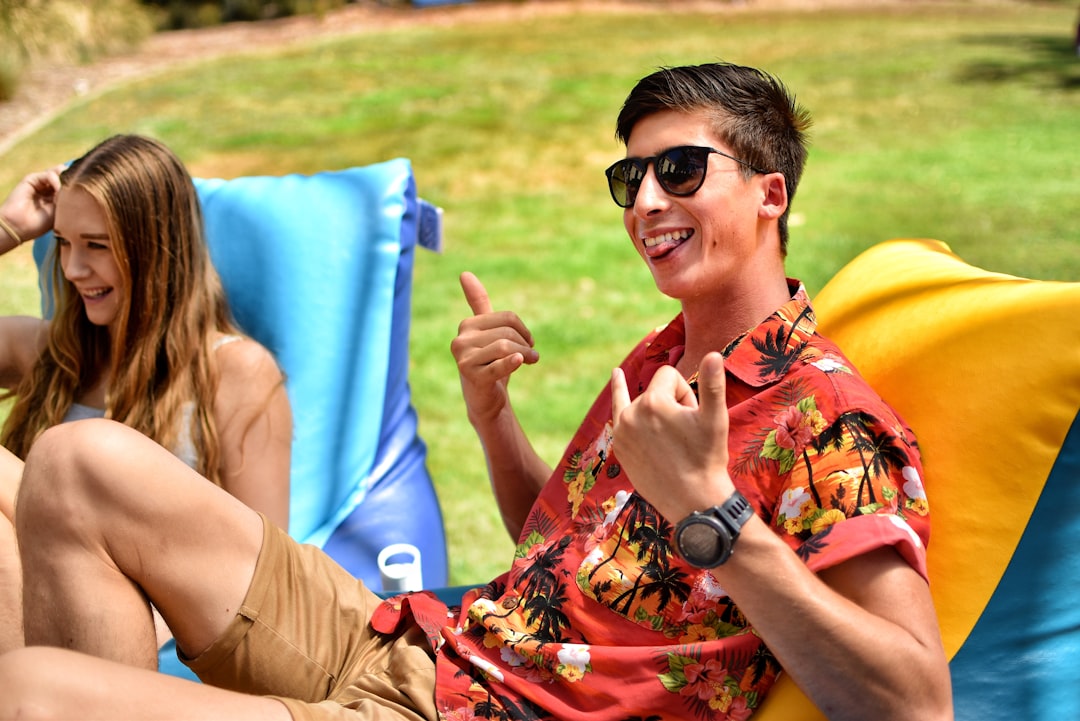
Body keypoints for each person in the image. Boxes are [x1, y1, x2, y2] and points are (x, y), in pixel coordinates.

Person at [0, 63, 952, 720]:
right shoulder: (660, 362)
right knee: (78, 458)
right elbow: (556, 554)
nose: (648, 201)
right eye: (633, 176)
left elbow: (914, 699)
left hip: (480, 709)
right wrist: (493, 422)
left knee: (31, 691)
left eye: (681, 169)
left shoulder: (825, 418)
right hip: (413, 645)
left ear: (770, 194)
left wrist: (713, 514)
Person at [0, 134, 292, 654]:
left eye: (96, 245)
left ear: (155, 247)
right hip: (33, 607)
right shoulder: (50, 354)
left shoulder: (235, 372)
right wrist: (8, 229)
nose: (72, 269)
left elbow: (270, 580)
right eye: (63, 243)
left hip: (159, 627)